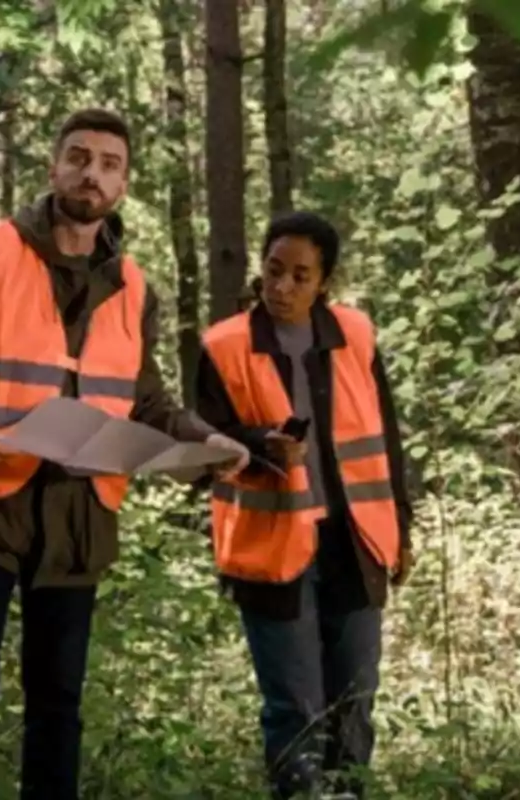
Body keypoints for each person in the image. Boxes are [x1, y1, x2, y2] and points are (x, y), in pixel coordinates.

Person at [0, 107, 249, 799]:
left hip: (79, 522)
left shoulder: (134, 288)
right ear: (53, 165)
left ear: (123, 184)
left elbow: (146, 398)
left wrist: (204, 440)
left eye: (107, 163)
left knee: (58, 707)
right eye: (78, 156)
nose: (90, 173)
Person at [195, 211, 416, 799]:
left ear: (325, 282)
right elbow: (197, 451)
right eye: (273, 271)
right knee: (294, 709)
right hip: (271, 553)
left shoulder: (355, 335)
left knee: (354, 703)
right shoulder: (223, 346)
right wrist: (256, 445)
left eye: (300, 276)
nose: (283, 287)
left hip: (356, 542)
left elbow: (387, 441)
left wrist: (403, 530)